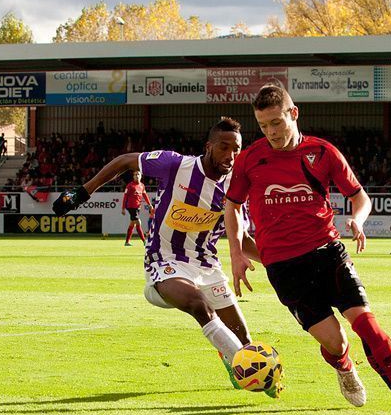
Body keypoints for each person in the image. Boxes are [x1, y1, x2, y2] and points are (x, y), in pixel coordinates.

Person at [225, 85, 391, 415]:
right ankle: (344, 364)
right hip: (284, 269)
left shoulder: (322, 153)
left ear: (293, 114)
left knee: (368, 325)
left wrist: (358, 219)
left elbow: (359, 196)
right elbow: (232, 206)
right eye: (263, 126)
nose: (271, 132)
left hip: (328, 253)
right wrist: (237, 253)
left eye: (276, 123)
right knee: (335, 342)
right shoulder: (251, 158)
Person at [53, 117, 279, 397]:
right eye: (224, 147)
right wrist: (83, 191)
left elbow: (240, 239)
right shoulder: (176, 165)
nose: (231, 156)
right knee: (199, 304)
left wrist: (276, 262)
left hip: (207, 266)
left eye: (237, 149)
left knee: (243, 338)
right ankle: (249, 369)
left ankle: (240, 362)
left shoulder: (234, 186)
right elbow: (125, 160)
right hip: (165, 262)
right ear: (208, 146)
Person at [122, 170, 153, 246]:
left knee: (132, 224)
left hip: (137, 207)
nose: (137, 176)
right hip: (131, 207)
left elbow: (145, 195)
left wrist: (149, 204)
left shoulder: (142, 185)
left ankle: (127, 242)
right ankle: (144, 241)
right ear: (133, 176)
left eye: (138, 174)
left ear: (141, 176)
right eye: (135, 174)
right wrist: (123, 208)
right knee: (138, 222)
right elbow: (125, 197)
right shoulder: (130, 186)